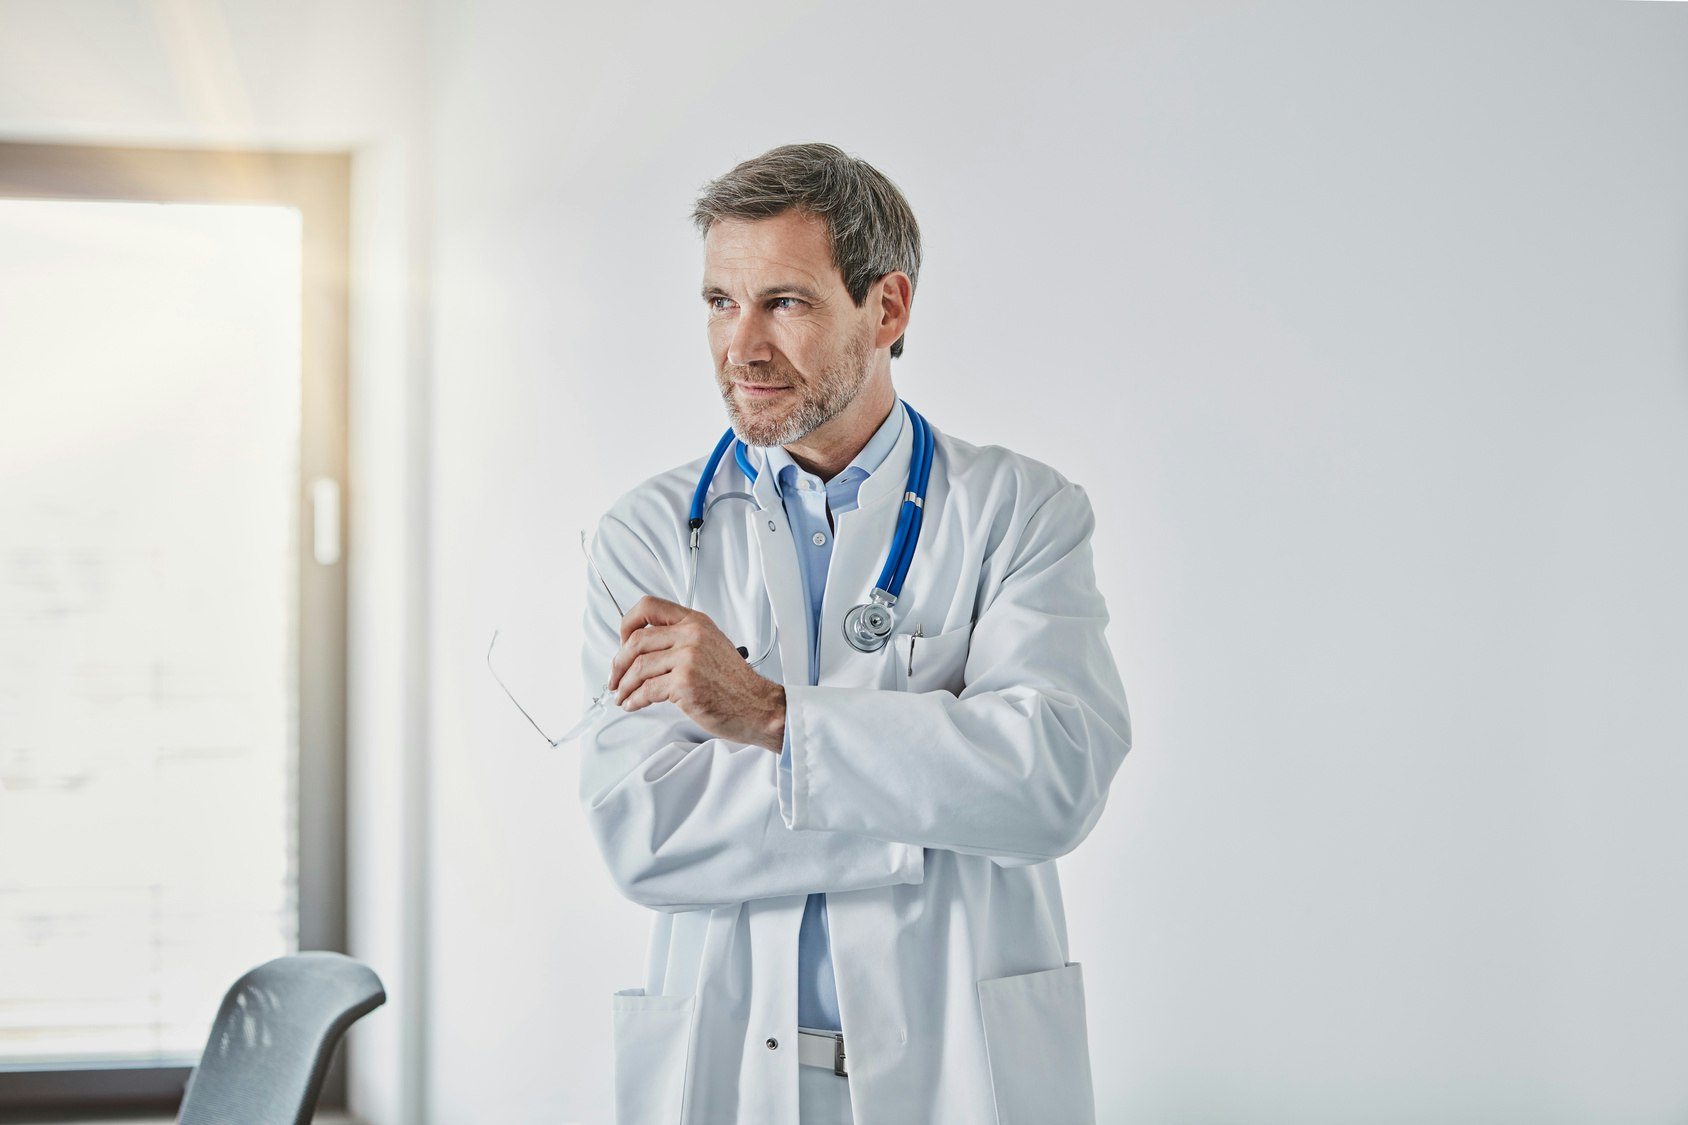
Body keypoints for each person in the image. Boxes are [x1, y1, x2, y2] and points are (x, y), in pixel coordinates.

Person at [579, 142, 1131, 1125]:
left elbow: (1051, 781)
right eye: (718, 301)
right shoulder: (649, 536)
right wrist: (927, 796)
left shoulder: (1021, 513)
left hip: (957, 1069)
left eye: (782, 302)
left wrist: (771, 719)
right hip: (731, 1065)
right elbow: (644, 835)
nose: (739, 346)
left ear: (887, 309)